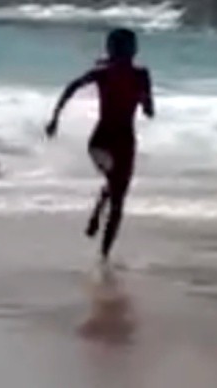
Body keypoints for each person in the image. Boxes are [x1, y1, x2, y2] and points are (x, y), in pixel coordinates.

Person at [45, 28, 154, 261]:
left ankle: (104, 254)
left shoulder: (131, 75)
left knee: (117, 196)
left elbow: (149, 110)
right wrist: (55, 118)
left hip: (116, 140)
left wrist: (55, 117)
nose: (125, 53)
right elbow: (72, 86)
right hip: (105, 140)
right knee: (116, 191)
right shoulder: (111, 74)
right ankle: (101, 234)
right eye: (123, 49)